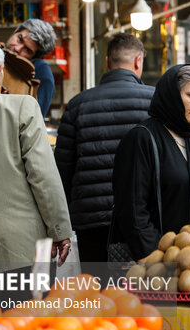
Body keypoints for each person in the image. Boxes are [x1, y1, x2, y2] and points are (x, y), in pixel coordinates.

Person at [0, 38, 72, 282]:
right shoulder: (22, 107)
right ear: (0, 73)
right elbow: (43, 176)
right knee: (27, 319)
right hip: (24, 252)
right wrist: (60, 230)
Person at [54, 34, 154, 263]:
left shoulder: (78, 104)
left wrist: (62, 221)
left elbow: (62, 170)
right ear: (138, 62)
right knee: (147, 292)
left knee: (95, 293)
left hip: (91, 219)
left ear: (107, 61)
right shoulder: (155, 101)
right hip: (144, 219)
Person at [111, 65, 190, 260]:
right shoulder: (142, 138)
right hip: (160, 264)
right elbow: (133, 212)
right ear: (172, 95)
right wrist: (158, 259)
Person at [5, 19, 57, 117]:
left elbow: (35, 118)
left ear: (34, 57)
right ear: (15, 31)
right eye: (20, 39)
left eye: (27, 50)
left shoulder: (40, 70)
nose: (17, 48)